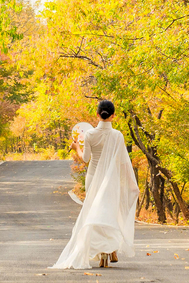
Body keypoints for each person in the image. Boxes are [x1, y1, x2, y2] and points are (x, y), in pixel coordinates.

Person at [52, 100, 139, 269]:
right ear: (113, 115)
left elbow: (85, 159)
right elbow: (123, 162)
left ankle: (103, 252)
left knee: (95, 212)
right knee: (109, 212)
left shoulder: (90, 134)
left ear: (97, 115)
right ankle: (110, 249)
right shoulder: (118, 136)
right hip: (111, 178)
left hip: (93, 177)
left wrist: (76, 147)